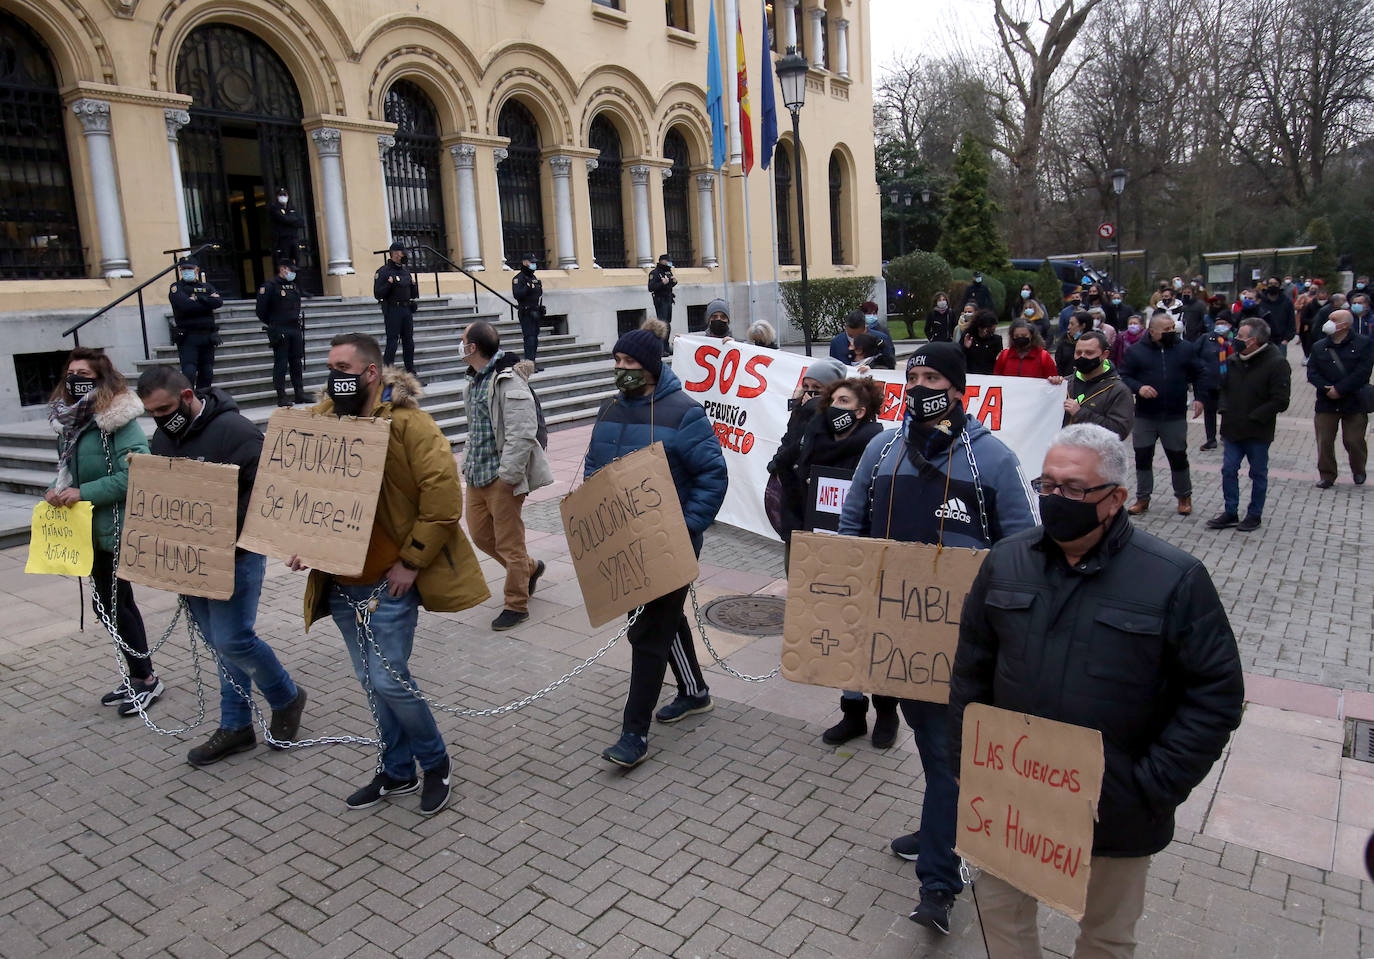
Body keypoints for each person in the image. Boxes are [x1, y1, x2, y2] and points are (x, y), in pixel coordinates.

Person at [949, 423, 1244, 959]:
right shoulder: (1006, 560)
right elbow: (971, 668)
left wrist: (1150, 787)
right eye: (1048, 485)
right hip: (1010, 792)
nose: (1056, 499)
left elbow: (1216, 695)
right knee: (1001, 921)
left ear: (1115, 499)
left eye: (1074, 489)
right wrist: (966, 763)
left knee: (1106, 938)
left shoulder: (1173, 578)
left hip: (1116, 810)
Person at [839, 341, 1039, 935]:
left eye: (933, 378)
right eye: (914, 376)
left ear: (959, 390)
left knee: (948, 759)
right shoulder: (880, 450)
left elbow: (1021, 549)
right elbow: (853, 521)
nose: (921, 387)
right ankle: (939, 828)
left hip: (961, 644)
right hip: (895, 634)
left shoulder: (994, 460)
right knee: (934, 751)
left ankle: (938, 885)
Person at [293, 333, 490, 815]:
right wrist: (294, 536)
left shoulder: (409, 424)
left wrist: (411, 561)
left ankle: (436, 762)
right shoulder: (318, 424)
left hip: (388, 583)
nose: (334, 377)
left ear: (371, 372)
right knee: (372, 681)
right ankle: (397, 770)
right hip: (341, 582)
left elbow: (442, 499)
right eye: (329, 367)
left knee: (388, 680)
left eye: (343, 368)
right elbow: (300, 486)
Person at [136, 366, 307, 765]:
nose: (160, 418)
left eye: (164, 408)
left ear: (187, 395)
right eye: (152, 412)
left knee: (233, 639)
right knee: (219, 643)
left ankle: (285, 696)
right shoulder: (164, 437)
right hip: (192, 559)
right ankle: (236, 725)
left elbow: (270, 489)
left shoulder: (236, 431)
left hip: (236, 554)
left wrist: (219, 524)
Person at [586, 329, 727, 767]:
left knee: (647, 634)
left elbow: (713, 476)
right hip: (624, 545)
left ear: (650, 366)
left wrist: (684, 527)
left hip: (670, 544)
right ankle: (694, 691)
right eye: (618, 361)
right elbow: (594, 465)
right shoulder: (608, 407)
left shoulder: (685, 413)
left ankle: (634, 734)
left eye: (630, 363)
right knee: (659, 622)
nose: (621, 370)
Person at [47, 349, 161, 717]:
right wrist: (57, 489)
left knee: (118, 605)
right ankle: (137, 672)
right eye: (70, 372)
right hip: (86, 530)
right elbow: (68, 471)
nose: (75, 378)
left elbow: (136, 473)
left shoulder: (117, 419)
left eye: (84, 373)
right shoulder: (70, 422)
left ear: (101, 379)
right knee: (106, 605)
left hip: (115, 527)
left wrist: (85, 493)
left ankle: (146, 679)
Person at [793, 377, 890, 750]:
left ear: (861, 410)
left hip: (868, 550)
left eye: (843, 400)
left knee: (876, 634)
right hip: (828, 551)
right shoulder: (815, 441)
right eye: (831, 400)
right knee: (845, 632)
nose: (834, 406)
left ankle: (885, 711)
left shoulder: (879, 446)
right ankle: (853, 712)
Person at [460, 320, 552, 631]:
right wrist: (467, 465)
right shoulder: (473, 382)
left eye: (463, 341)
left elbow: (522, 433)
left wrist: (508, 476)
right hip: (477, 476)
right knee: (481, 536)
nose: (459, 346)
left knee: (510, 543)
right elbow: (476, 430)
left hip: (502, 477)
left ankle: (517, 604)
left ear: (473, 347)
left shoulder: (509, 383)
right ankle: (530, 569)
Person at [1206, 317, 1291, 531]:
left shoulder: (1277, 363)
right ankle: (1230, 511)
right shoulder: (1233, 360)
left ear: (1253, 341)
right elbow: (1223, 387)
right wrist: (1223, 407)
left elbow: (1280, 400)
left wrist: (1256, 416)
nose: (1236, 339)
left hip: (1257, 430)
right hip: (1232, 428)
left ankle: (1254, 514)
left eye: (1240, 337)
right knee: (1228, 470)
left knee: (1258, 473)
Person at [1120, 310, 1207, 515]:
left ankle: (1184, 497)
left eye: (1172, 329)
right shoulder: (1136, 351)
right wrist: (1138, 387)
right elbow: (1123, 375)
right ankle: (1143, 498)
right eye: (1165, 330)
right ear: (1151, 331)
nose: (1170, 333)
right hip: (1145, 415)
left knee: (1178, 457)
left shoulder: (1185, 349)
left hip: (1174, 414)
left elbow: (1200, 373)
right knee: (1142, 457)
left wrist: (1200, 398)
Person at [768, 357, 849, 553]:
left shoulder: (839, 420)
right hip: (792, 501)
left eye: (817, 388)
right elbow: (788, 443)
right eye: (806, 385)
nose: (809, 392)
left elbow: (809, 450)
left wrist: (812, 414)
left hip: (816, 504)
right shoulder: (799, 411)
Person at [1308, 308, 1374, 488]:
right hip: (1326, 401)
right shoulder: (1319, 346)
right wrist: (1325, 388)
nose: (1328, 322)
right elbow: (1312, 372)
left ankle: (1358, 469)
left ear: (1344, 325)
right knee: (1325, 440)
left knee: (1354, 440)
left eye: (1333, 319)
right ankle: (1327, 475)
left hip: (1354, 400)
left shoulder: (1363, 344)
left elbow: (1363, 372)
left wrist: (1340, 389)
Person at [1063, 330, 1134, 440]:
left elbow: (1120, 431)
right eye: (1078, 352)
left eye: (1089, 353)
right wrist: (1051, 388)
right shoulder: (1065, 383)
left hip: (1096, 454)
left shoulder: (1118, 390)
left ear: (1104, 355)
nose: (1082, 357)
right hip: (1063, 452)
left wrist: (1080, 413)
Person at [256, 260, 308, 407]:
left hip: (294, 328)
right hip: (280, 329)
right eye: (291, 270)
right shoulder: (270, 287)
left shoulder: (293, 286)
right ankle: (282, 395)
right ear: (283, 269)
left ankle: (299, 393)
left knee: (296, 362)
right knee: (281, 363)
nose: (293, 273)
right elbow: (261, 310)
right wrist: (273, 324)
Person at [168, 257, 223, 389]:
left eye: (190, 268)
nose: (187, 271)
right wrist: (207, 302)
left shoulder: (206, 286)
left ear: (197, 270)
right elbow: (186, 306)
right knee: (189, 372)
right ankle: (188, 400)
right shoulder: (176, 288)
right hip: (188, 336)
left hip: (207, 336)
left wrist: (197, 298)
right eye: (184, 269)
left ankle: (202, 399)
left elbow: (218, 302)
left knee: (207, 372)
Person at [374, 241, 419, 375]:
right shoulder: (383, 272)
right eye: (401, 252)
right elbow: (378, 293)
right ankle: (387, 372)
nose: (403, 254)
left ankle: (410, 371)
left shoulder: (405, 271)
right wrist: (389, 284)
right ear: (394, 253)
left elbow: (414, 294)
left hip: (406, 309)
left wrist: (414, 285)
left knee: (409, 342)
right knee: (392, 342)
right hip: (393, 310)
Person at [1194, 314, 1235, 451]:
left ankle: (1225, 434)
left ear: (1229, 325)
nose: (1220, 325)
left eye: (1223, 323)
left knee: (1227, 410)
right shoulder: (1206, 338)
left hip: (1229, 382)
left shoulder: (1234, 340)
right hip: (1209, 381)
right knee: (1209, 411)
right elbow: (1193, 354)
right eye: (1218, 323)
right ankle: (1210, 439)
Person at [993, 319, 1059, 378]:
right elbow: (996, 379)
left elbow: (1053, 379)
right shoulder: (1005, 356)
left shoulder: (1043, 356)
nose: (1020, 338)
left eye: (1024, 336)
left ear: (1032, 336)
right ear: (1012, 337)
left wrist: (1055, 380)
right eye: (1016, 336)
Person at [512, 253, 545, 368]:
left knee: (535, 338)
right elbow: (517, 295)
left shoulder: (533, 277)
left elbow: (538, 293)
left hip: (535, 312)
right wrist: (528, 287)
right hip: (526, 312)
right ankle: (528, 365)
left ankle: (533, 363)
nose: (533, 264)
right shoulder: (518, 278)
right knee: (529, 338)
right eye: (531, 262)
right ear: (525, 262)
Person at [1259, 277, 1296, 353]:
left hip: (1280, 341)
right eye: (1270, 284)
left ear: (1279, 285)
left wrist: (1287, 339)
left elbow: (1291, 321)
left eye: (1275, 284)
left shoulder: (1287, 302)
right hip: (1262, 340)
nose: (1273, 286)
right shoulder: (1260, 301)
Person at [269, 188, 304, 266]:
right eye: (281, 195)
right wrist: (292, 219)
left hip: (294, 239)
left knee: (296, 262)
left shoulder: (292, 208)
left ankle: (295, 277)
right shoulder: (274, 208)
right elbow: (283, 219)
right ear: (277, 196)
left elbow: (301, 222)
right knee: (285, 264)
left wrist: (288, 219)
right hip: (283, 240)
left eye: (284, 195)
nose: (283, 197)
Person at [961, 310, 1002, 374]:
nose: (991, 333)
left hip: (988, 375)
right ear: (980, 327)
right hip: (971, 374)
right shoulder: (968, 336)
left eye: (993, 331)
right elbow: (959, 357)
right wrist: (965, 348)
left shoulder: (996, 340)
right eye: (989, 330)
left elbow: (998, 360)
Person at [1298, 281, 1329, 359]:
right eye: (1320, 294)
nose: (1322, 296)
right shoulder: (1310, 305)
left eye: (1324, 294)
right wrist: (1313, 322)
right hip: (1311, 331)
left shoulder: (1330, 306)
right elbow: (1303, 318)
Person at [1055, 312, 1090, 376]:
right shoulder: (1064, 341)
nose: (1069, 327)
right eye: (1069, 323)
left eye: (1072, 324)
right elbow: (1059, 364)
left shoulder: (1093, 343)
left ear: (1083, 326)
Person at [648, 253, 677, 328]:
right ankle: (661, 339)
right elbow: (651, 288)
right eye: (667, 261)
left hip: (668, 298)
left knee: (668, 321)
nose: (669, 263)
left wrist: (674, 282)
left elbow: (669, 285)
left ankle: (666, 339)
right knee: (662, 322)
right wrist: (662, 283)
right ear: (662, 261)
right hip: (660, 299)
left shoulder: (668, 271)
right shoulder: (655, 273)